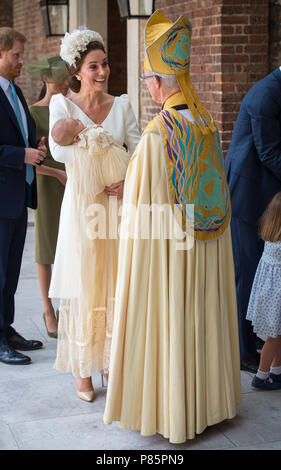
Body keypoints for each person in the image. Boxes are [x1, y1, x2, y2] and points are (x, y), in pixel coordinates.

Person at [104, 11, 241, 443]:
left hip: (170, 255)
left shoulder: (155, 138)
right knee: (201, 315)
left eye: (147, 78)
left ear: (159, 82)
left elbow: (142, 225)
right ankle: (208, 405)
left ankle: (174, 410)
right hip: (206, 246)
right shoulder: (206, 125)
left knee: (171, 315)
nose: (147, 86)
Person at [48, 29, 140, 402]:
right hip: (83, 204)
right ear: (77, 71)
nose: (102, 72)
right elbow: (59, 153)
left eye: (105, 64)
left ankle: (109, 363)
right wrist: (90, 145)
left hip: (116, 206)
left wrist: (128, 179)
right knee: (86, 283)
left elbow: (137, 151)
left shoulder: (123, 105)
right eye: (94, 66)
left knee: (115, 281)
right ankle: (83, 369)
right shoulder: (62, 106)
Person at [224, 67, 281, 374]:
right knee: (246, 271)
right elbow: (270, 152)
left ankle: (260, 341)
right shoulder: (266, 94)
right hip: (247, 192)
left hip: (267, 193)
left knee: (264, 271)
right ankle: (243, 350)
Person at [0, 27, 47, 365]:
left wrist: (36, 147)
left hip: (17, 197)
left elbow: (21, 135)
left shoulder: (15, 92)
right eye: (16, 55)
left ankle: (7, 328)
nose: (21, 61)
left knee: (11, 271)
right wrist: (22, 156)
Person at [27, 56, 69, 338]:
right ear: (45, 79)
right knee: (45, 249)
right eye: (57, 77)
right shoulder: (33, 112)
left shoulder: (71, 108)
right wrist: (56, 175)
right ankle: (47, 309)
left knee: (69, 245)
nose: (63, 82)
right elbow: (31, 158)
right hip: (46, 184)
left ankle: (68, 306)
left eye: (66, 76)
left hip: (72, 182)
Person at [246, 192, 281, 390]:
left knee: (278, 335)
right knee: (274, 337)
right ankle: (261, 376)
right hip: (276, 296)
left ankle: (276, 371)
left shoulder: (272, 237)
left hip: (270, 294)